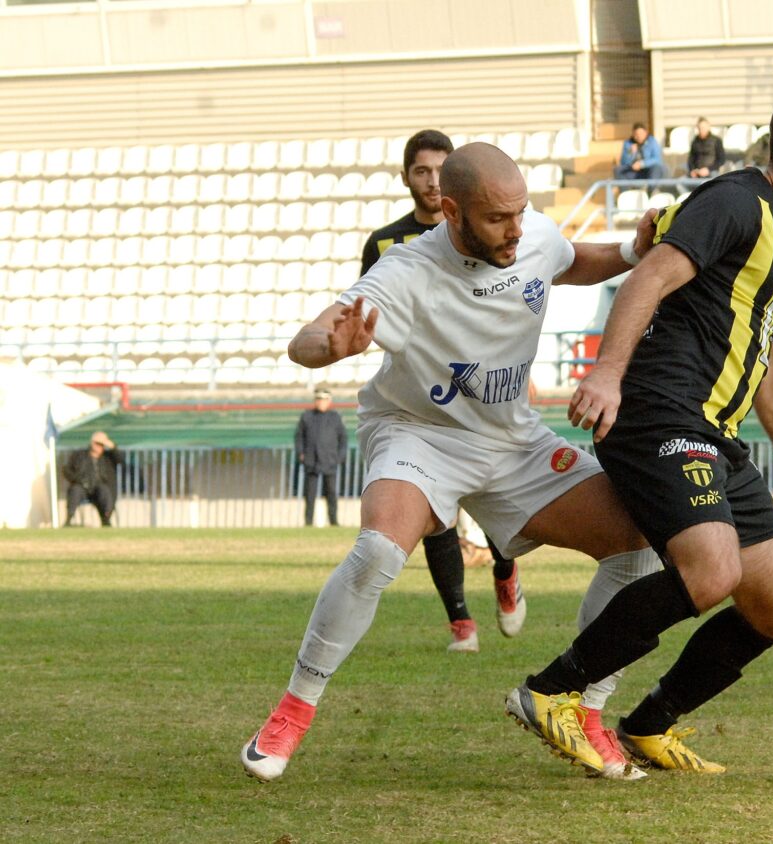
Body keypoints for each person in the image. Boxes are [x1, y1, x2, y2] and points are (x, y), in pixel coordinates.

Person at [241, 143, 669, 784]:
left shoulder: (528, 233)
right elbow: (306, 339)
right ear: (450, 211)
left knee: (641, 543)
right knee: (379, 551)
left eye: (520, 212)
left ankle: (582, 710)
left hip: (511, 440)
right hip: (421, 434)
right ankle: (293, 710)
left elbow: (570, 259)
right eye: (497, 218)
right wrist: (329, 347)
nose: (515, 229)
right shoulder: (406, 270)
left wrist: (631, 252)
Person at [507, 81, 773, 775]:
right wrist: (606, 374)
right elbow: (647, 279)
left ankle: (649, 724)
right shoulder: (737, 201)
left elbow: (770, 359)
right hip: (659, 412)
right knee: (712, 570)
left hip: (715, 433)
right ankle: (550, 690)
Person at [359, 129, 524, 654]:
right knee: (436, 515)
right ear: (406, 177)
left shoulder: (487, 231)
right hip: (426, 398)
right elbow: (371, 314)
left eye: (439, 170)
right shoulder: (386, 245)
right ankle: (461, 623)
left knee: (498, 494)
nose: (431, 181)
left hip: (486, 392)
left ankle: (505, 570)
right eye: (421, 171)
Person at [295, 389, 348, 527]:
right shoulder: (307, 416)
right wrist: (301, 454)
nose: (321, 402)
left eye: (324, 399)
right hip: (311, 460)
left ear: (329, 401)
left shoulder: (335, 417)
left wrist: (340, 457)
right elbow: (299, 437)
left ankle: (333, 521)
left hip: (330, 460)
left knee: (331, 492)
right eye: (318, 399)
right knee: (310, 493)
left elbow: (343, 438)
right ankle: (308, 522)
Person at [62, 431, 122, 527]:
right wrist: (77, 479)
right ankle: (68, 519)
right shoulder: (79, 455)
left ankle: (106, 519)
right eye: (97, 443)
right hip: (82, 487)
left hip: (100, 488)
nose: (99, 446)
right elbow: (66, 470)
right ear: (92, 443)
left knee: (104, 492)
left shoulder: (108, 457)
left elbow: (121, 459)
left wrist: (112, 446)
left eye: (102, 444)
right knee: (75, 490)